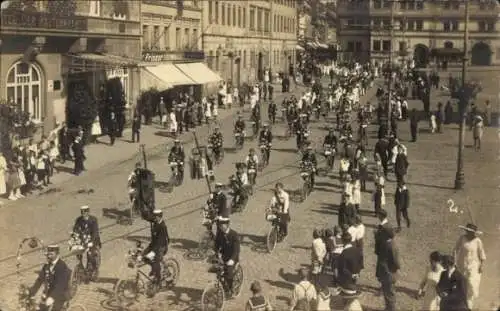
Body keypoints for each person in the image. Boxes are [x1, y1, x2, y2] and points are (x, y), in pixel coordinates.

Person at [454, 223, 486, 309]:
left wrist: (481, 266)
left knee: (471, 284)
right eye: (467, 231)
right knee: (462, 285)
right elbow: (455, 249)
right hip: (462, 265)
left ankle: (469, 306)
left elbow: (482, 254)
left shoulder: (478, 241)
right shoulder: (462, 238)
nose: (469, 233)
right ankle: (462, 305)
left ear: (474, 233)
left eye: (471, 232)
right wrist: (455, 261)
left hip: (474, 267)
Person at [29, 245, 71, 311]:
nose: (49, 256)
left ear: (57, 254)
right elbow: (40, 280)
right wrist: (31, 292)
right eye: (48, 254)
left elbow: (61, 285)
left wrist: (52, 297)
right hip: (48, 293)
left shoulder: (62, 266)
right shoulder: (46, 265)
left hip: (60, 295)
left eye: (51, 254)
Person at [374, 209, 400, 311]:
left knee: (390, 294)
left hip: (388, 273)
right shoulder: (387, 243)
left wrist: (391, 272)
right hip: (386, 272)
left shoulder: (391, 246)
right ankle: (388, 308)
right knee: (387, 294)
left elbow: (395, 262)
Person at [214, 219, 240, 297]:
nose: (221, 227)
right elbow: (216, 244)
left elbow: (236, 249)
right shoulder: (219, 233)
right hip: (223, 256)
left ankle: (231, 289)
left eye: (222, 225)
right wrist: (217, 253)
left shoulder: (234, 234)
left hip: (232, 257)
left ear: (227, 225)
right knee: (216, 270)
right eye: (220, 225)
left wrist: (232, 259)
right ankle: (223, 286)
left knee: (229, 273)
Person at [143, 209, 170, 285]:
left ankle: (158, 279)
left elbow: (160, 242)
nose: (154, 218)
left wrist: (153, 252)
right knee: (144, 257)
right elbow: (148, 218)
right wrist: (144, 212)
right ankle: (154, 269)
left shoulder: (162, 227)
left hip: (161, 246)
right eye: (154, 216)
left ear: (159, 217)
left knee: (155, 260)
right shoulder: (156, 221)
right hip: (154, 245)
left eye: (155, 216)